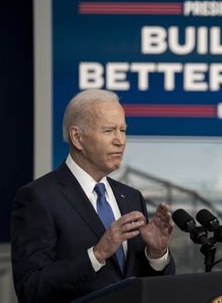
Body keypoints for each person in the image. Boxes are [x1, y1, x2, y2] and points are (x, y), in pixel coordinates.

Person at [11, 89, 175, 302]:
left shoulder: (131, 197)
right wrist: (96, 254)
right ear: (77, 137)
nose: (120, 141)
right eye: (109, 131)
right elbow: (30, 289)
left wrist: (156, 255)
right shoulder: (38, 197)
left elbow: (146, 285)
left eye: (123, 130)